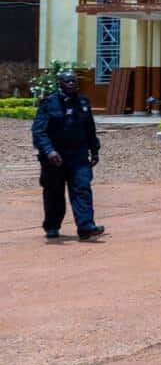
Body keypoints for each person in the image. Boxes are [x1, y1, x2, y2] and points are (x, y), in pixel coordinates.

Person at [31, 71, 105, 240]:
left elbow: (90, 129)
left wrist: (94, 150)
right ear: (60, 83)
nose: (71, 83)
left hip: (78, 155)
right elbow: (38, 131)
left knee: (82, 188)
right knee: (54, 192)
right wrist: (49, 151)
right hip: (54, 157)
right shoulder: (49, 103)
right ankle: (52, 226)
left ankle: (86, 227)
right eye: (67, 81)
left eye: (73, 81)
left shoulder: (83, 102)